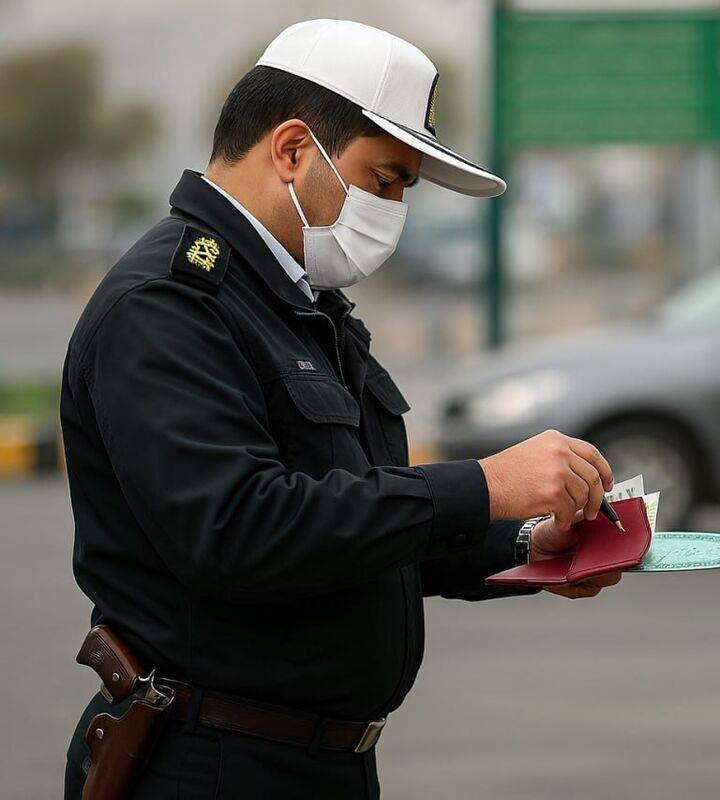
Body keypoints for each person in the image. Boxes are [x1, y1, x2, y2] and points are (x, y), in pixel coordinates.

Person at [62, 19, 622, 798]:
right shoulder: (168, 307)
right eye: (384, 181)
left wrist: (530, 542)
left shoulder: (300, 306)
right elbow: (238, 530)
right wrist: (482, 483)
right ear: (293, 148)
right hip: (209, 762)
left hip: (319, 766)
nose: (394, 208)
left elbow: (357, 527)